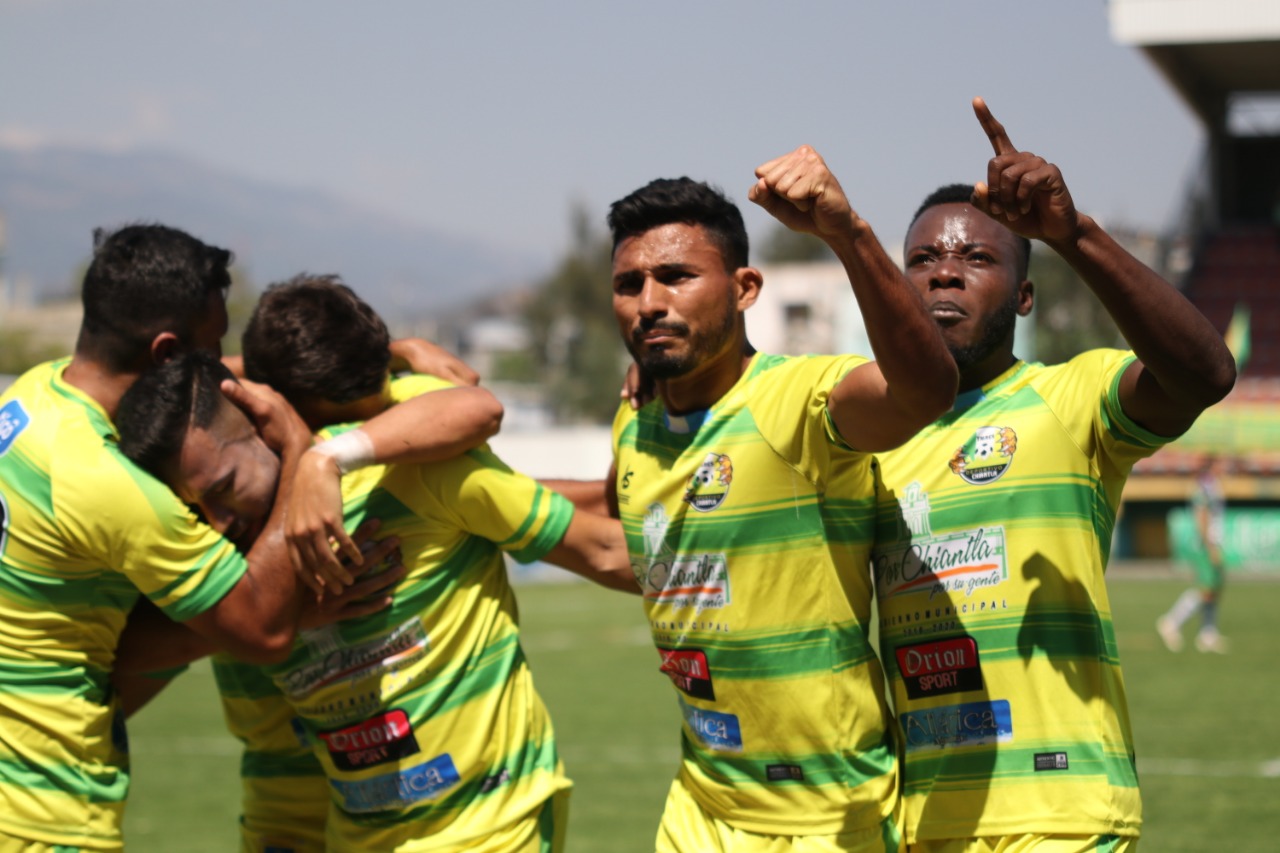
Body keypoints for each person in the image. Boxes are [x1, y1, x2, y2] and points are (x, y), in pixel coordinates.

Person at [869, 98, 1237, 852]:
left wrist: (1073, 235)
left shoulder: (1070, 400)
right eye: (923, 261)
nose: (945, 275)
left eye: (976, 259)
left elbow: (1204, 373)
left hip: (1062, 814)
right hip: (922, 824)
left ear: (1025, 296)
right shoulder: (865, 434)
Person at [115, 334, 636, 850]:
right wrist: (270, 618)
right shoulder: (200, 544)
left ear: (262, 413)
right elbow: (120, 666)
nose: (217, 521)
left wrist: (373, 380)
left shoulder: (404, 456)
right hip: (309, 824)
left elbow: (476, 407)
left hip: (486, 824)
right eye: (197, 508)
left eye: (225, 487)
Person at [605, 148, 958, 852]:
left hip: (828, 818)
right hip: (699, 809)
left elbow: (924, 391)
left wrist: (847, 233)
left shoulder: (796, 398)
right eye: (629, 283)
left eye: (676, 276)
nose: (649, 301)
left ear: (744, 288)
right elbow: (620, 529)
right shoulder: (634, 418)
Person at [0, 224, 313, 852]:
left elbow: (215, 379)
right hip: (43, 816)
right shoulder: (103, 480)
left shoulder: (35, 395)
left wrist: (384, 354)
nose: (221, 366)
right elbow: (262, 629)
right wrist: (306, 457)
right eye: (211, 345)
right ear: (168, 354)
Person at [1157, 454, 1230, 653]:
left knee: (1215, 589)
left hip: (1214, 543)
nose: (1225, 467)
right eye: (1221, 463)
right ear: (1212, 466)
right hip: (1207, 545)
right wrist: (1210, 545)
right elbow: (1202, 516)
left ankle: (1208, 634)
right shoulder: (1205, 487)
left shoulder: (1213, 485)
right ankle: (1171, 622)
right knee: (1205, 590)